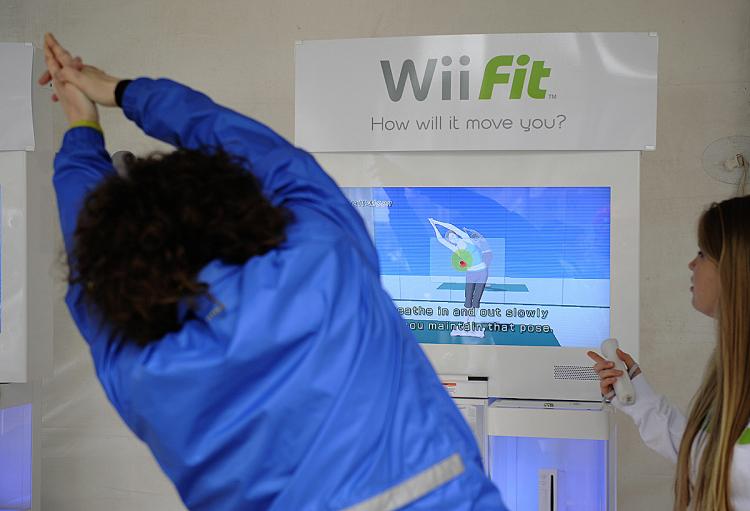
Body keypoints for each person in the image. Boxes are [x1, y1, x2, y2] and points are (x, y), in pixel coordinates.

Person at [40, 33, 506, 511]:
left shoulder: (135, 364)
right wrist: (120, 91)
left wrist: (80, 130)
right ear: (231, 201)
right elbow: (263, 152)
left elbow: (86, 258)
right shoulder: (325, 255)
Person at [588, 196, 750, 510]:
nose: (692, 264)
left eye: (702, 254)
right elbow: (706, 457)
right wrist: (634, 394)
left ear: (734, 269)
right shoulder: (730, 368)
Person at [429, 219, 491, 338]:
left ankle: (472, 324)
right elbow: (440, 239)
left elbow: (451, 226)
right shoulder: (456, 249)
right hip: (470, 274)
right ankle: (465, 324)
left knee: (476, 300)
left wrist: (437, 222)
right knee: (468, 300)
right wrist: (434, 227)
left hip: (482, 272)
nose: (452, 238)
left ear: (456, 234)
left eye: (453, 235)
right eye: (450, 238)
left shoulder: (466, 239)